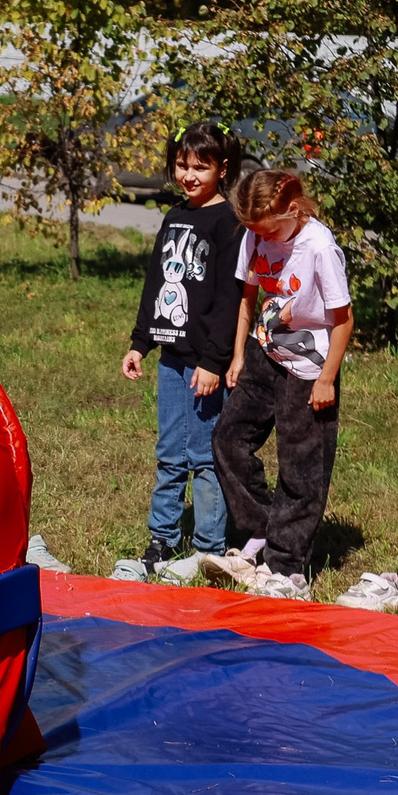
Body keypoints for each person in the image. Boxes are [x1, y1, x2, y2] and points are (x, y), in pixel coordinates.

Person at [214, 170, 352, 601]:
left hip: (310, 367)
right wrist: (239, 353)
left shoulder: (319, 248)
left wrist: (327, 378)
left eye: (269, 228)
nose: (262, 237)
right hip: (263, 353)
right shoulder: (255, 236)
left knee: (301, 466)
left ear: (293, 211)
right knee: (228, 439)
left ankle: (287, 567)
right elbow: (248, 297)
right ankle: (263, 529)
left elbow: (344, 319)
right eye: (255, 230)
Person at [115, 124, 244, 583]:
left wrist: (214, 360)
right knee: (170, 453)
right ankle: (161, 540)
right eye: (182, 165)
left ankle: (209, 549)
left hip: (204, 363)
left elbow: (231, 300)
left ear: (222, 169)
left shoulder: (229, 223)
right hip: (171, 358)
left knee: (206, 455)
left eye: (200, 167)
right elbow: (156, 285)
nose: (188, 175)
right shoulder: (174, 217)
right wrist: (140, 342)